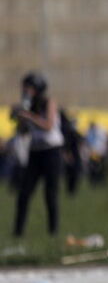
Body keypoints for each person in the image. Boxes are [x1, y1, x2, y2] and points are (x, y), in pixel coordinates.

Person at [12, 72, 65, 237]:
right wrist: (20, 118)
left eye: (29, 87)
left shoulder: (49, 102)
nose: (25, 91)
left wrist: (29, 116)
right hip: (35, 152)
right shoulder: (27, 105)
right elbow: (22, 132)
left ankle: (53, 231)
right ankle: (18, 232)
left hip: (52, 152)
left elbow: (48, 125)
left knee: (50, 194)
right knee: (24, 193)